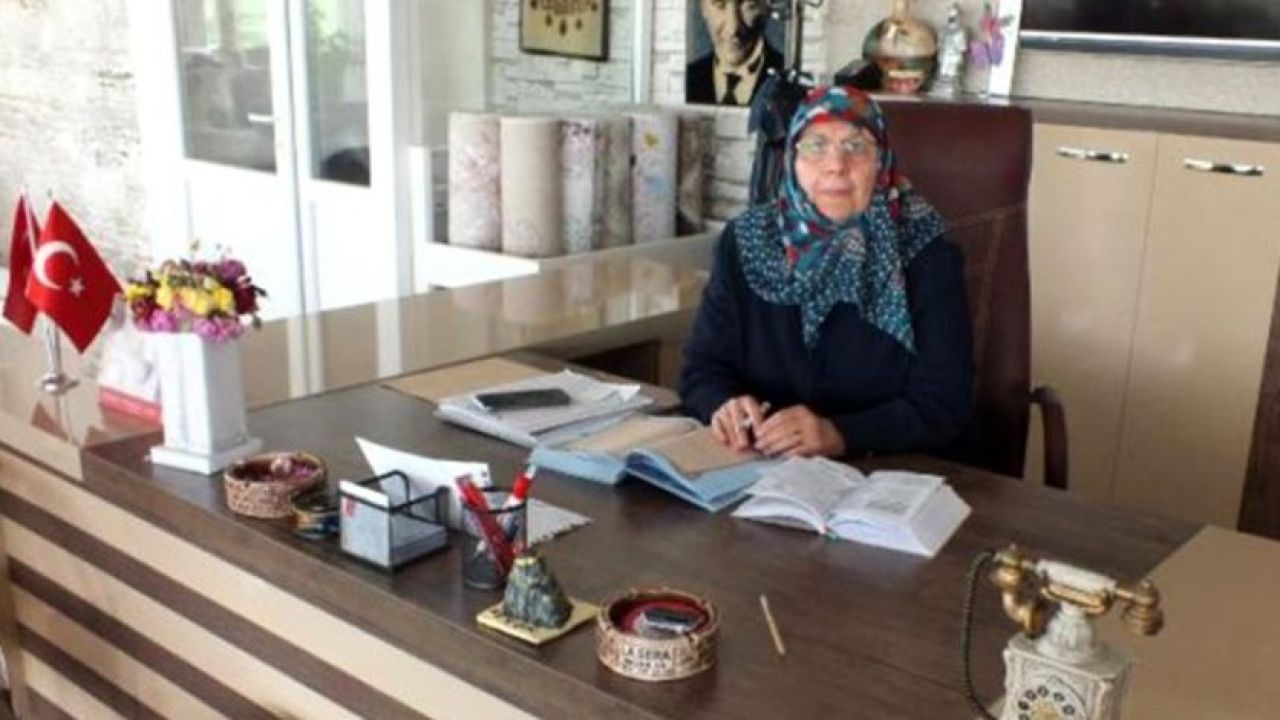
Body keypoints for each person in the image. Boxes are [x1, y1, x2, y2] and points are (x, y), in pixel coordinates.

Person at [679, 86, 973, 459]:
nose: (835, 165)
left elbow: (944, 403)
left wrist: (841, 434)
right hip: (761, 466)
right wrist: (722, 405)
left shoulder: (925, 254)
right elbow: (701, 369)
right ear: (792, 159)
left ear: (881, 162)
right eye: (816, 145)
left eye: (856, 147)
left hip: (885, 469)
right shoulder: (746, 242)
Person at [686, 0, 784, 107]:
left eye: (748, 5)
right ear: (703, 7)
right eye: (720, 5)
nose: (733, 29)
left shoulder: (788, 82)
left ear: (767, 7)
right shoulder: (688, 80)